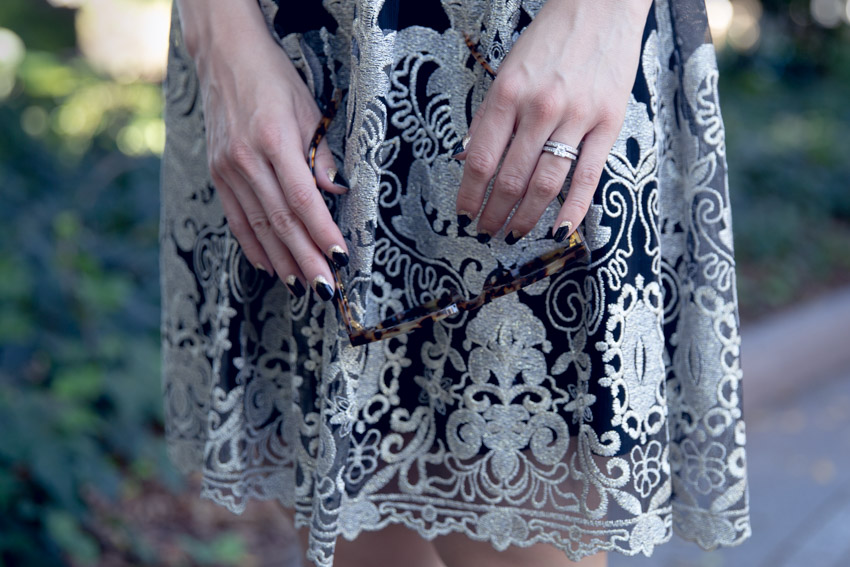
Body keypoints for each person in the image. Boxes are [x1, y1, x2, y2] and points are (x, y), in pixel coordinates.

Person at [160, 1, 751, 566]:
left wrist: (603, 13)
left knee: (515, 518)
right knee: (352, 534)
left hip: (545, 55)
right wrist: (220, 38)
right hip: (293, 53)